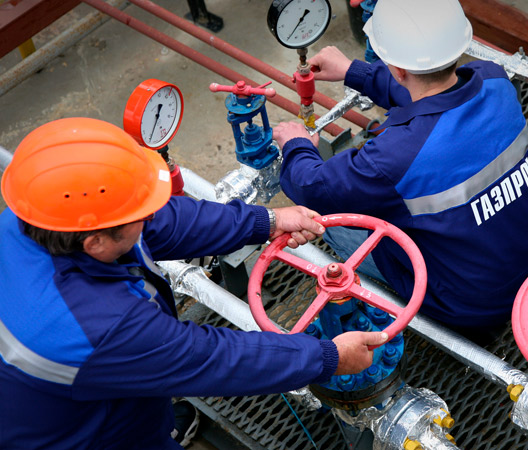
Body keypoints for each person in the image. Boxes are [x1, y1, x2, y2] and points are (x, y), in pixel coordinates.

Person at [0, 117, 388, 449]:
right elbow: (213, 359)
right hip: (74, 436)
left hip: (78, 390)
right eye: (141, 212)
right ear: (96, 243)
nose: (150, 214)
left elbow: (165, 222)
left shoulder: (41, 219)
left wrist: (266, 222)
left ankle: (158, 418)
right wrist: (328, 358)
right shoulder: (99, 327)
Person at [273, 0, 528, 343]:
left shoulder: (394, 158)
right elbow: (433, 94)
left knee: (330, 222)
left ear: (397, 69)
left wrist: (295, 144)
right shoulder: (495, 80)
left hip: (473, 303)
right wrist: (356, 72)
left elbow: (311, 187)